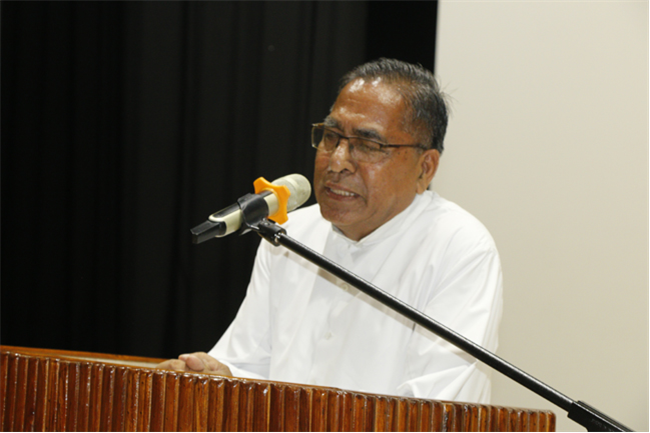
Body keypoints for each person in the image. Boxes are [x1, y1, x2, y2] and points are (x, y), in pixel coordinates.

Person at [157, 58, 503, 404]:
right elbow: (250, 364)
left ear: (425, 168)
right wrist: (219, 378)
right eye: (331, 137)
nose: (337, 161)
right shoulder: (289, 235)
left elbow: (436, 409)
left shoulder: (459, 248)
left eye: (368, 145)